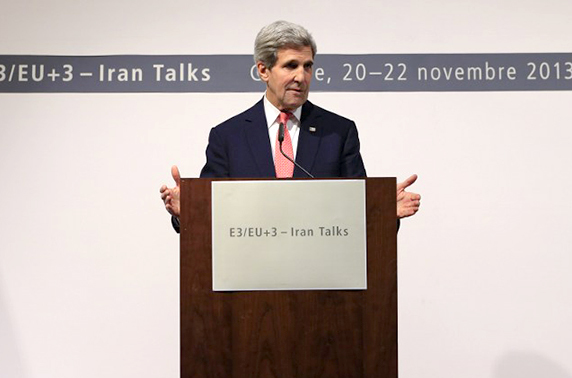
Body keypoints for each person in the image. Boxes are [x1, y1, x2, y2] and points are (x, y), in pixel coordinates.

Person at [160, 20, 420, 228]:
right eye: (291, 66)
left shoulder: (338, 132)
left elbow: (357, 210)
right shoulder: (228, 136)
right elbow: (209, 214)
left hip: (321, 278)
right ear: (264, 70)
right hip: (250, 275)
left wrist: (385, 211)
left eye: (308, 66)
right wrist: (186, 213)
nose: (301, 77)